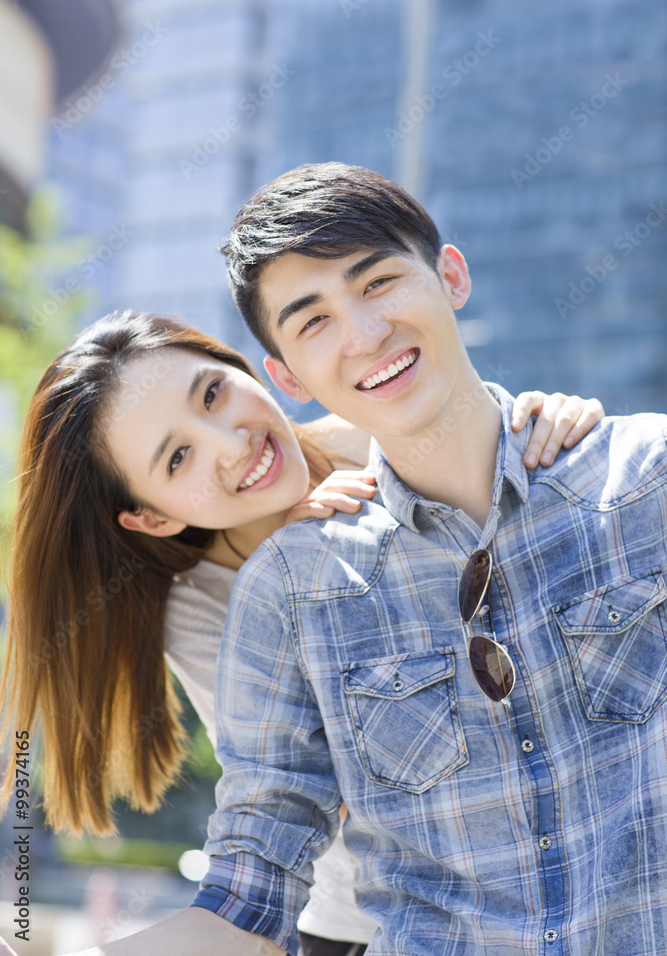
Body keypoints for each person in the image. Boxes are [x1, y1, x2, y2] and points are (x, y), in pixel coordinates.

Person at [0, 308, 598, 956]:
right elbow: (325, 788)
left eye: (212, 393)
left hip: (558, 879)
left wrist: (547, 429)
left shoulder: (376, 441)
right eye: (178, 457)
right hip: (366, 927)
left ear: (242, 365)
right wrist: (307, 568)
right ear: (151, 518)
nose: (232, 443)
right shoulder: (201, 609)